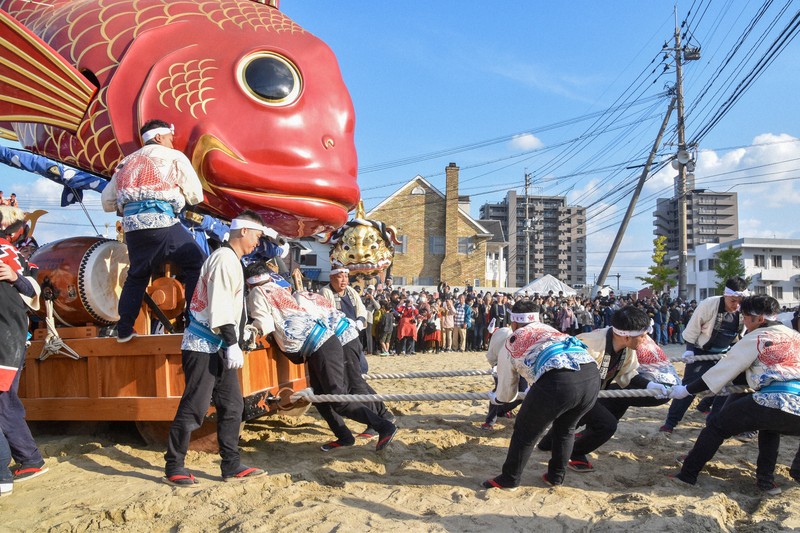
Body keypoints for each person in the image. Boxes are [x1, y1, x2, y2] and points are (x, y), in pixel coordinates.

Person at [163, 211, 268, 486]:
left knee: (233, 406)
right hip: (204, 345)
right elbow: (220, 306)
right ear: (243, 231)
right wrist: (233, 343)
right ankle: (174, 465)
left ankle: (231, 465)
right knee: (195, 406)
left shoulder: (232, 260)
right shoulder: (224, 259)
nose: (258, 242)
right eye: (258, 235)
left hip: (218, 344)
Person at [245, 265, 397, 453]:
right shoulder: (279, 288)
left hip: (322, 345)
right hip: (325, 343)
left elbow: (264, 325)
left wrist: (249, 331)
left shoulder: (257, 293)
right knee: (318, 396)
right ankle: (344, 436)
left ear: (248, 283)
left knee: (339, 398)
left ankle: (383, 425)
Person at [670, 295, 800, 495]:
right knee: (769, 428)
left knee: (716, 427)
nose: (744, 322)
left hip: (775, 398)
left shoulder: (757, 337)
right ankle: (766, 482)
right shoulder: (794, 335)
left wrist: (686, 390)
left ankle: (687, 475)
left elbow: (722, 370)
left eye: (746, 318)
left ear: (758, 319)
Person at [101, 119, 205, 343]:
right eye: (170, 137)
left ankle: (125, 329)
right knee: (196, 261)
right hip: (162, 222)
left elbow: (107, 203)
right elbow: (196, 194)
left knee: (137, 275)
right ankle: (194, 321)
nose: (172, 141)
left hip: (133, 229)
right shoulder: (174, 157)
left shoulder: (125, 163)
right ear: (159, 137)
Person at [482, 300, 599, 489]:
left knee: (525, 431)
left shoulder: (512, 339)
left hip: (559, 381)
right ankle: (556, 476)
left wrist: (496, 398)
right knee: (566, 429)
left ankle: (509, 478)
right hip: (592, 377)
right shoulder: (550, 330)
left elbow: (506, 392)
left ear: (514, 323)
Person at [537, 306, 670, 472]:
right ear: (627, 336)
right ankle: (575, 452)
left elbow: (627, 374)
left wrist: (650, 386)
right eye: (642, 336)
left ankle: (548, 442)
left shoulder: (626, 347)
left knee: (616, 402)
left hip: (594, 390)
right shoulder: (590, 344)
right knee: (607, 424)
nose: (645, 339)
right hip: (574, 390)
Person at [659, 277, 748, 434]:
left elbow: (741, 334)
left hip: (725, 352)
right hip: (701, 351)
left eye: (740, 301)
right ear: (725, 295)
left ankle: (713, 421)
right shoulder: (709, 304)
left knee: (727, 388)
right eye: (733, 301)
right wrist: (690, 349)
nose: (736, 305)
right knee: (689, 386)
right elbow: (694, 326)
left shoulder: (743, 308)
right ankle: (670, 422)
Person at [0, 206, 45, 497]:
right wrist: (18, 279)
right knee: (7, 403)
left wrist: (16, 279)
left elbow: (31, 288)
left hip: (5, 338)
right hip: (13, 336)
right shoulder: (15, 256)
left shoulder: (8, 255)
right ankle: (30, 459)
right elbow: (33, 289)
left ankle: (2, 474)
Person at [321, 268, 369, 371]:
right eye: (340, 277)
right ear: (331, 278)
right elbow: (327, 314)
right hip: (337, 337)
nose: (344, 280)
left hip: (354, 333)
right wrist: (345, 323)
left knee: (362, 366)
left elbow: (361, 308)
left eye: (346, 277)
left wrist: (360, 320)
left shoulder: (351, 291)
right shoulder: (325, 292)